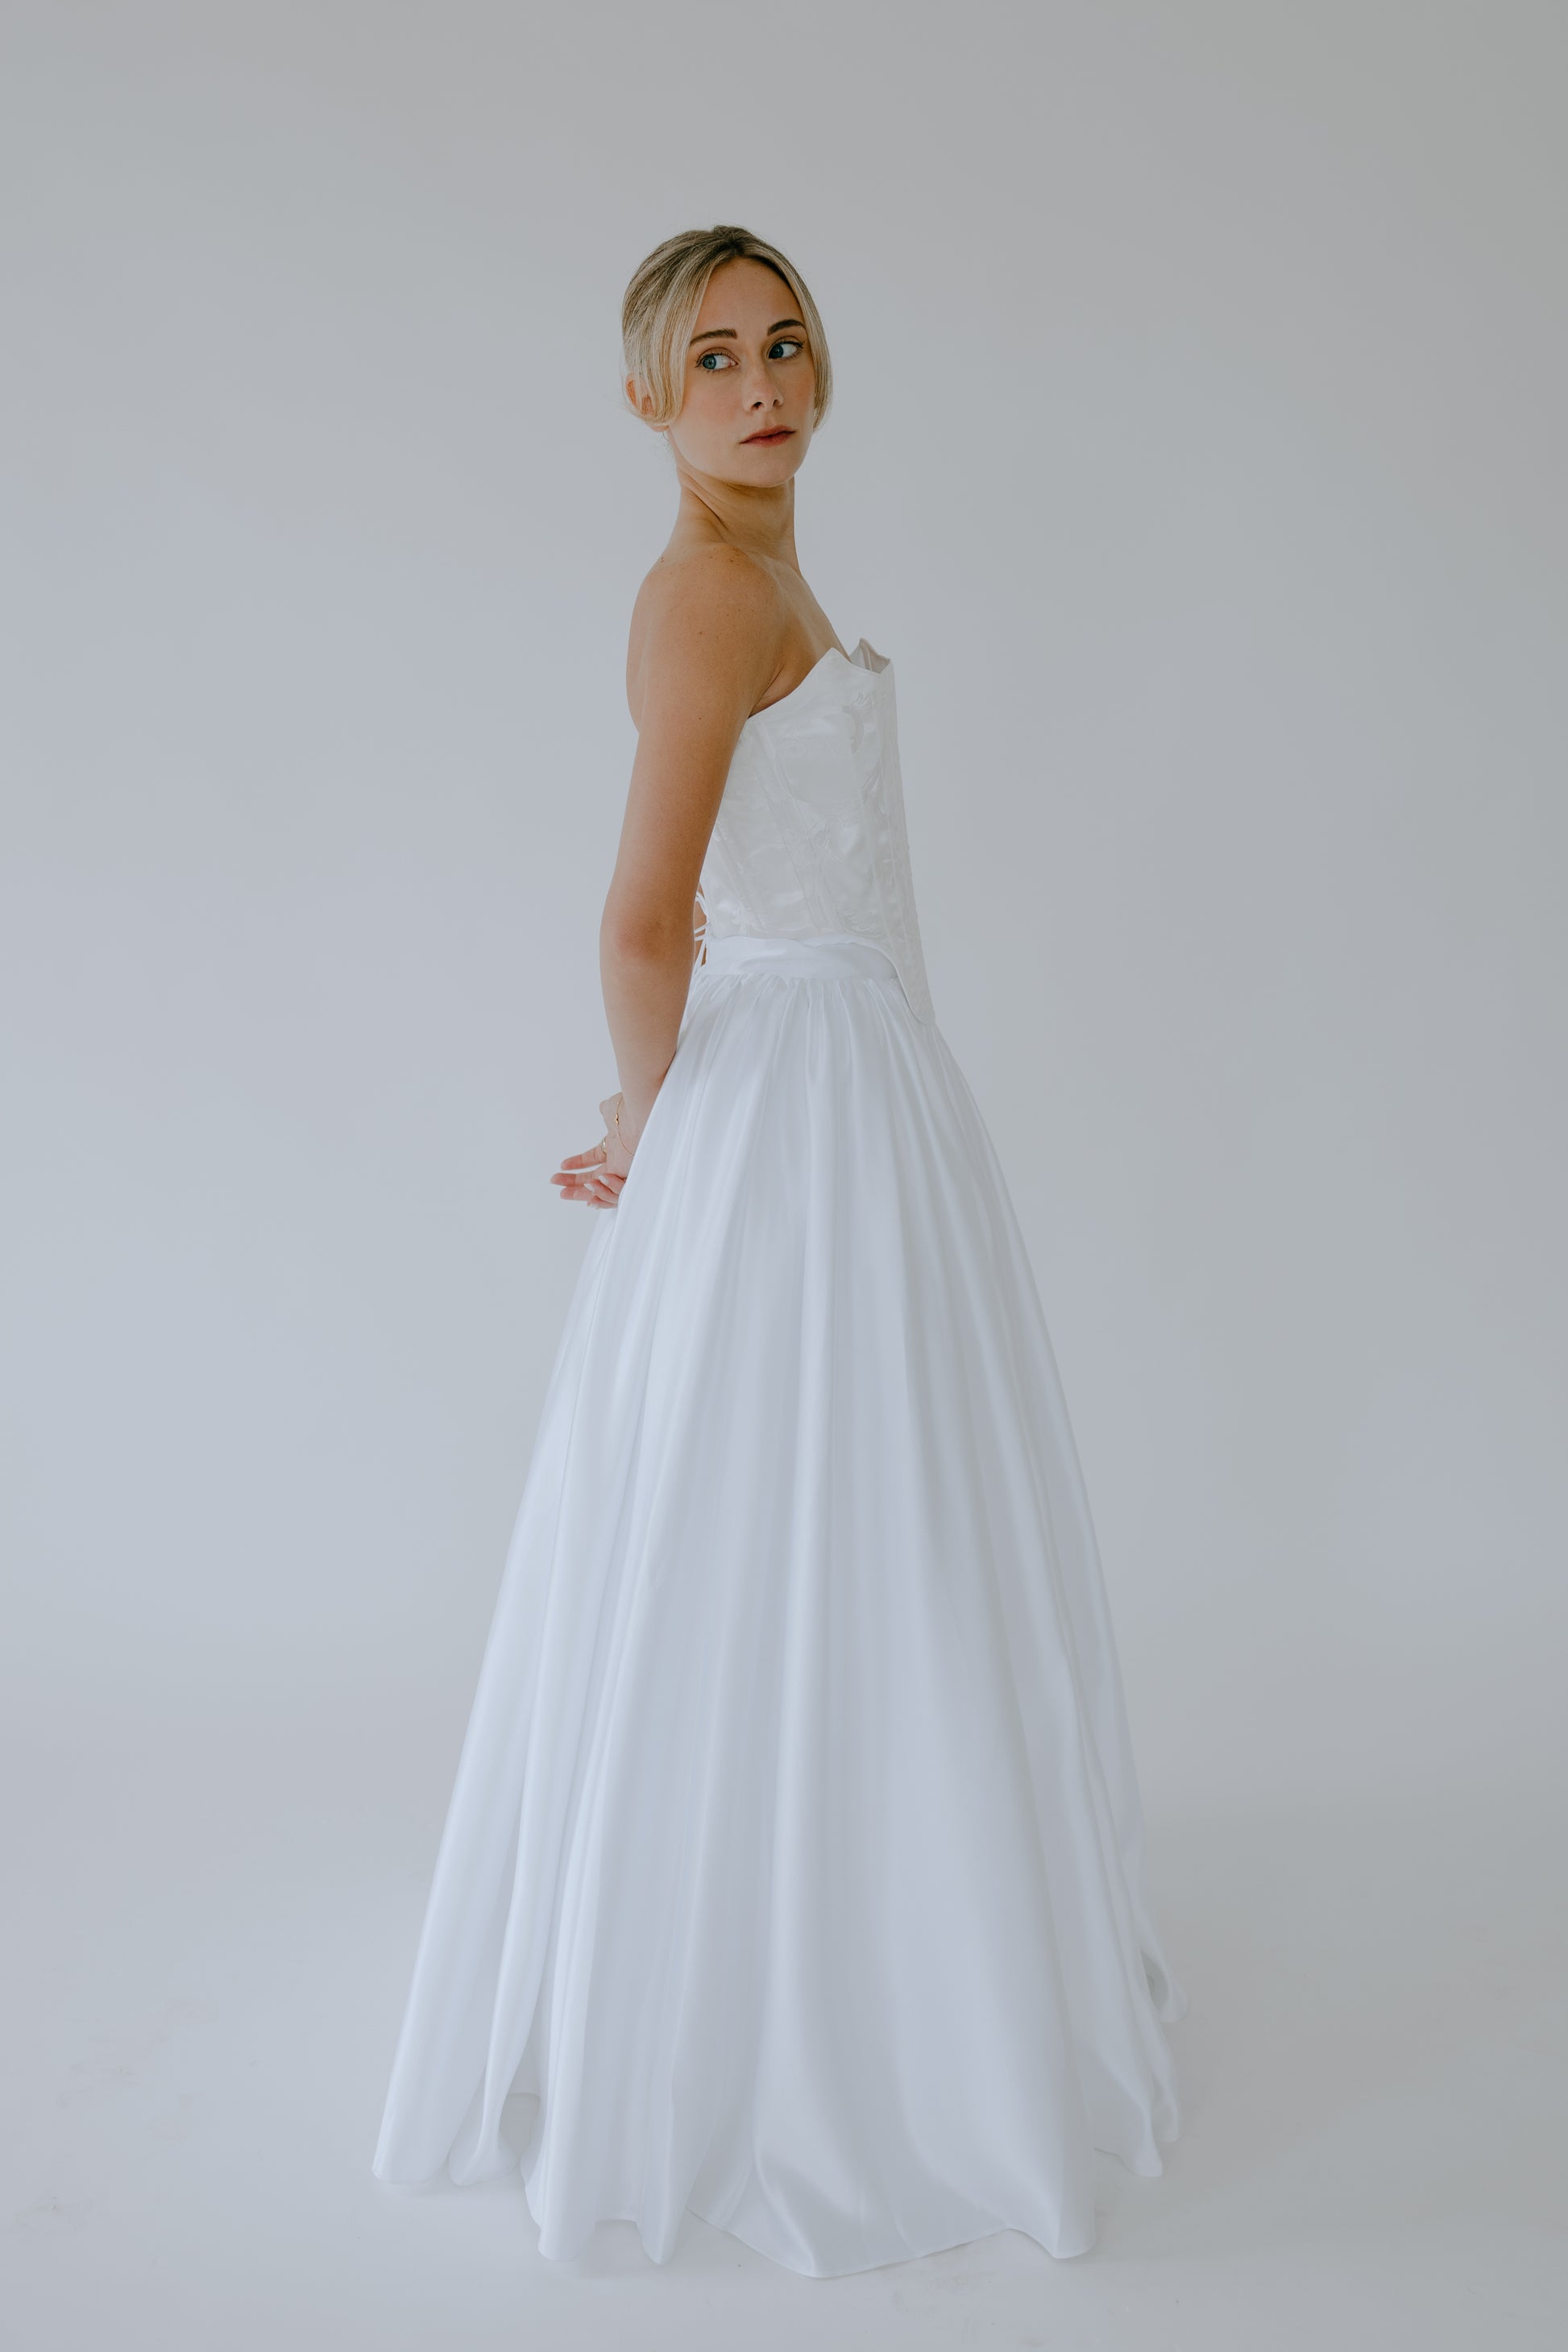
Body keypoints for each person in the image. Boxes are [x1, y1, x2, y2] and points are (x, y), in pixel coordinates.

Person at [372, 224, 1184, 2278]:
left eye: (786, 340)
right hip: (785, 1097)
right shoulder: (704, 597)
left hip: (856, 1087)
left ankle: (880, 1954)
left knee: (862, 1513)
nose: (760, 379)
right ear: (648, 396)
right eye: (712, 354)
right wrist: (653, 1121)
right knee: (784, 1512)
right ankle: (769, 2014)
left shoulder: (773, 572)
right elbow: (643, 918)